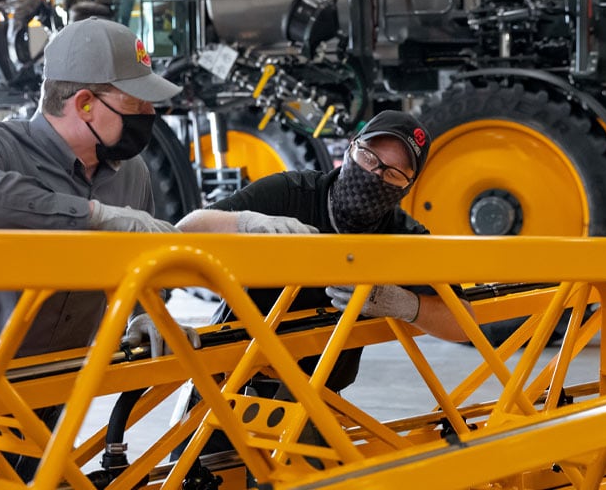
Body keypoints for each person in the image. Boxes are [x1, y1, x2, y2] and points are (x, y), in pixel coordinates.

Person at [0, 17, 197, 488]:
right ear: (86, 104)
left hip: (46, 400)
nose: (148, 115)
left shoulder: (131, 176)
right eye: (135, 102)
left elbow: (137, 261)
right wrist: (94, 217)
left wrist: (144, 313)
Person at [173, 110, 473, 458]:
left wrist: (404, 304)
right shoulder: (289, 194)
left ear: (406, 188)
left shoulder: (402, 238)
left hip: (317, 404)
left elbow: (462, 323)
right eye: (369, 157)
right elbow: (186, 229)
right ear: (349, 148)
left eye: (392, 173)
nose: (375, 174)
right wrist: (247, 223)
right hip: (229, 388)